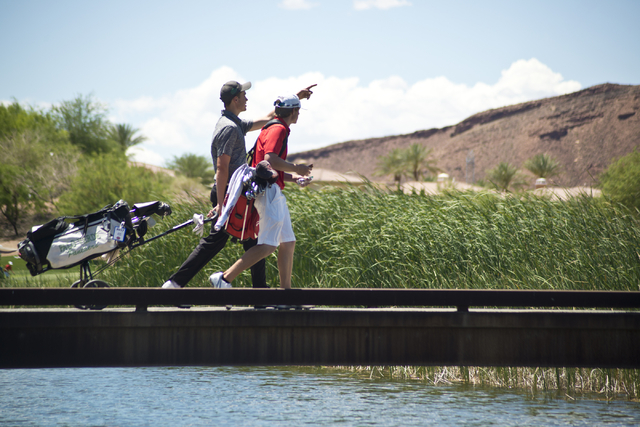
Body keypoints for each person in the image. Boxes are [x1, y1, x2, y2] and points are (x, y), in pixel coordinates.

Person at [162, 82, 316, 289]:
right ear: (235, 99)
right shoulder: (228, 128)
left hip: (238, 190)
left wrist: (294, 98)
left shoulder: (235, 123)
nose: (247, 98)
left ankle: (259, 291)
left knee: (252, 238)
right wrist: (220, 202)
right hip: (229, 190)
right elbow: (222, 167)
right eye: (244, 95)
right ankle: (175, 284)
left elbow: (269, 118)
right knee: (215, 242)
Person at [209, 94, 312, 290]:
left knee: (288, 242)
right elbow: (271, 160)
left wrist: (294, 178)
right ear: (293, 111)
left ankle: (286, 292)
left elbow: (265, 168)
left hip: (273, 189)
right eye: (298, 110)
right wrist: (297, 168)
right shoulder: (278, 129)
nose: (298, 113)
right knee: (269, 244)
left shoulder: (273, 127)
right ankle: (224, 278)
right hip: (268, 192)